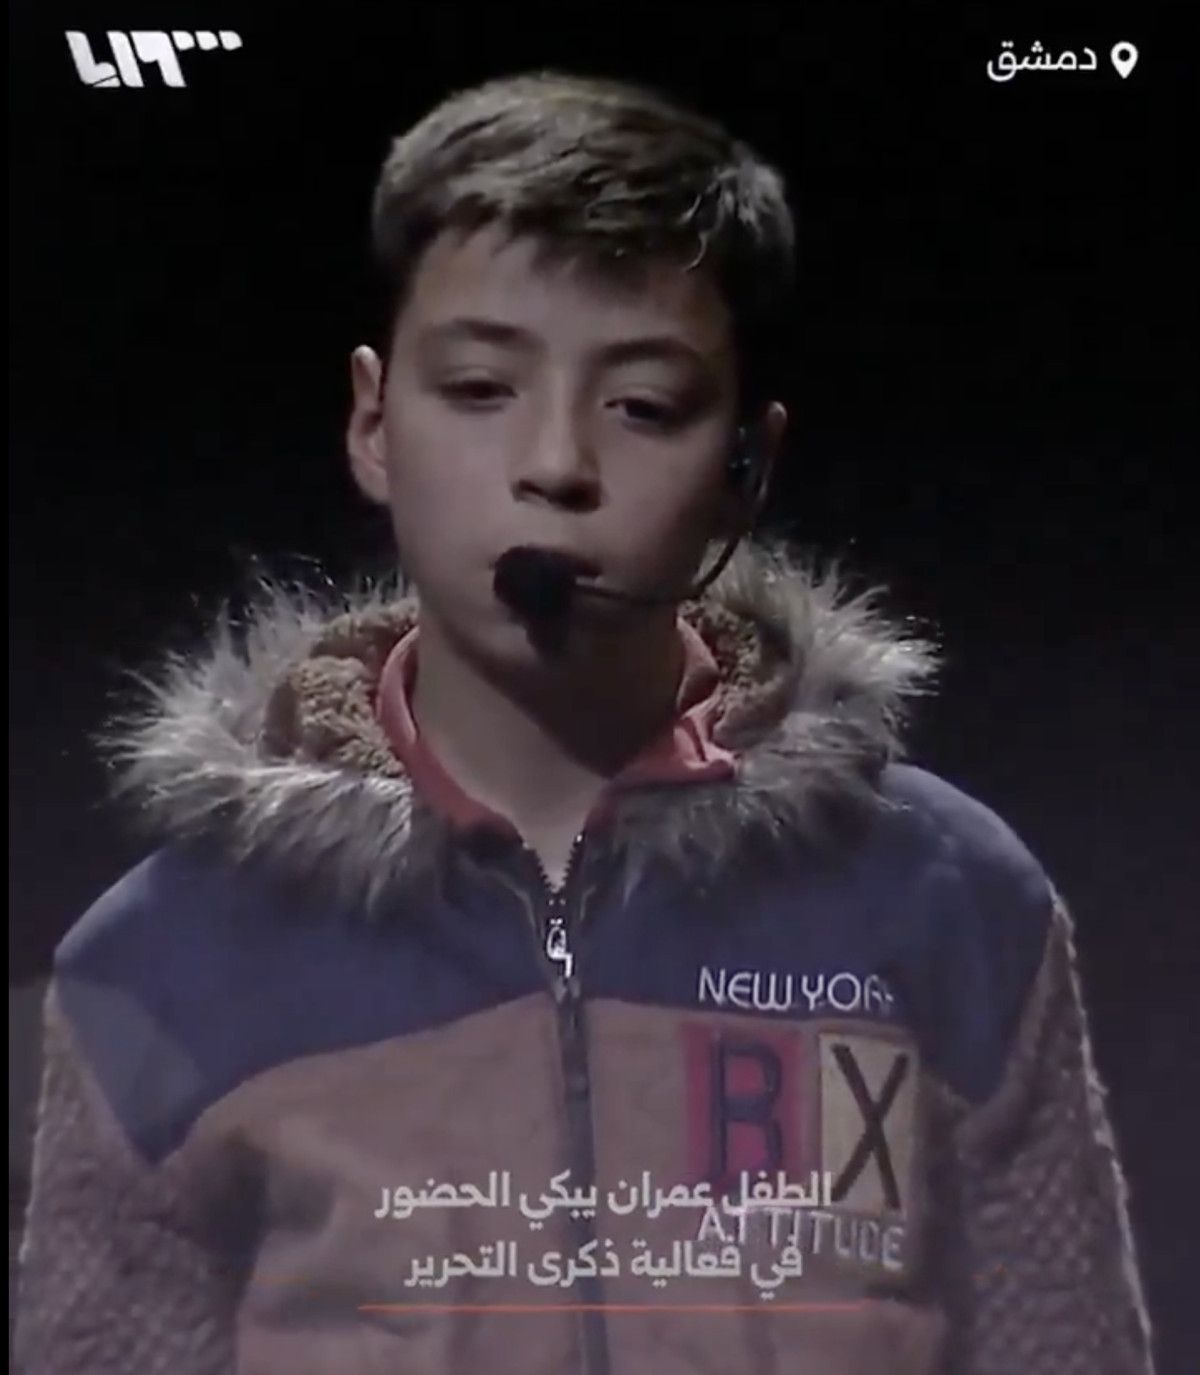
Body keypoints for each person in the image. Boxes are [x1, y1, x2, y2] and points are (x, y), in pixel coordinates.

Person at [14, 70, 1155, 1375]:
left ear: (747, 469)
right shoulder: (159, 966)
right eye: (481, 387)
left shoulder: (955, 907)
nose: (556, 465)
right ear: (374, 424)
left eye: (645, 406)